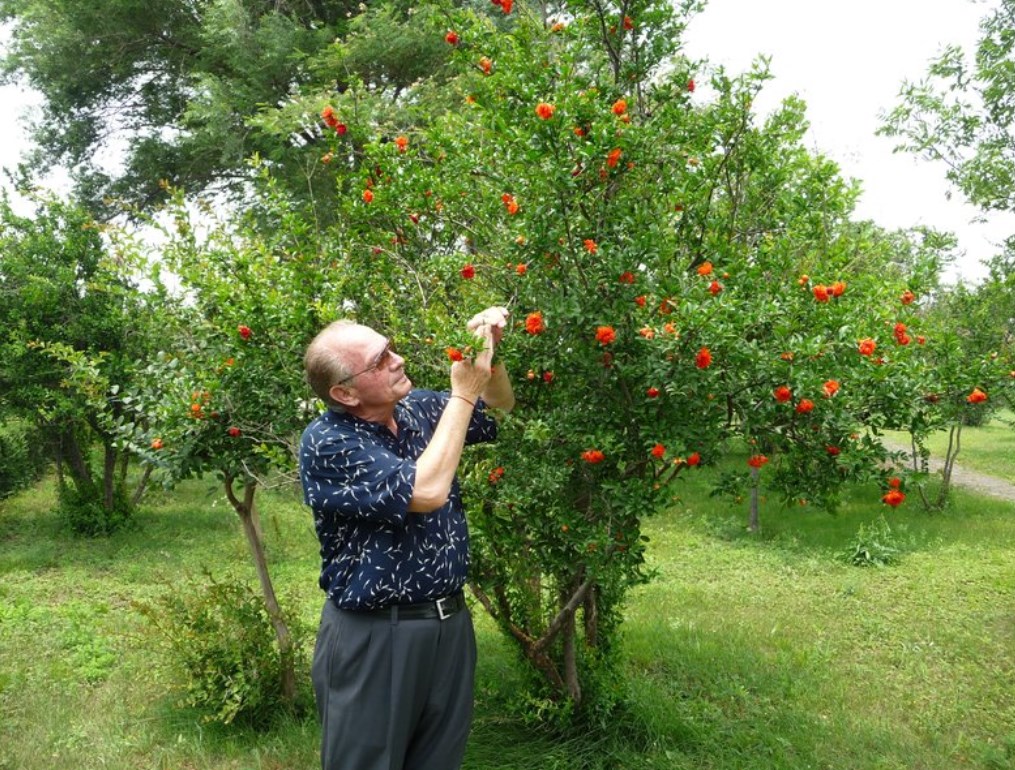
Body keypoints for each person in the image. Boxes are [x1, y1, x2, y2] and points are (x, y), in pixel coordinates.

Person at [299, 307, 514, 770]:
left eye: (390, 348)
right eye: (379, 360)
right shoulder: (327, 442)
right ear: (345, 393)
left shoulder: (416, 408)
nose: (397, 359)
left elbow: (498, 408)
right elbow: (427, 491)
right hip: (376, 635)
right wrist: (463, 393)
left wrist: (487, 358)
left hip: (449, 626)